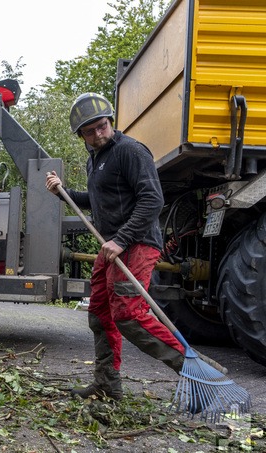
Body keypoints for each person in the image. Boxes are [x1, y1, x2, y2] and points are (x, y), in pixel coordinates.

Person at [45, 93, 185, 400]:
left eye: (102, 126)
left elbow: (153, 200)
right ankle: (107, 383)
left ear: (111, 122)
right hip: (112, 247)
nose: (98, 134)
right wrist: (62, 192)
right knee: (99, 313)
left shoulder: (131, 152)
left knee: (129, 314)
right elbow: (95, 201)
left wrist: (121, 239)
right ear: (81, 135)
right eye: (90, 130)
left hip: (136, 243)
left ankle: (191, 369)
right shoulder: (95, 160)